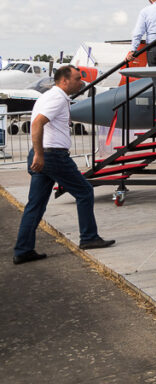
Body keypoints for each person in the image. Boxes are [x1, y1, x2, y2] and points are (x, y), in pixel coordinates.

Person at [14, 66, 115, 264]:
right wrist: (40, 155)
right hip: (52, 156)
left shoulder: (49, 96)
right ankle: (88, 238)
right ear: (64, 81)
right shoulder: (57, 98)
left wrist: (38, 154)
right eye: (78, 79)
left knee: (35, 205)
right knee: (85, 191)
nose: (82, 83)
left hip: (45, 155)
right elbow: (36, 124)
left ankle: (23, 250)